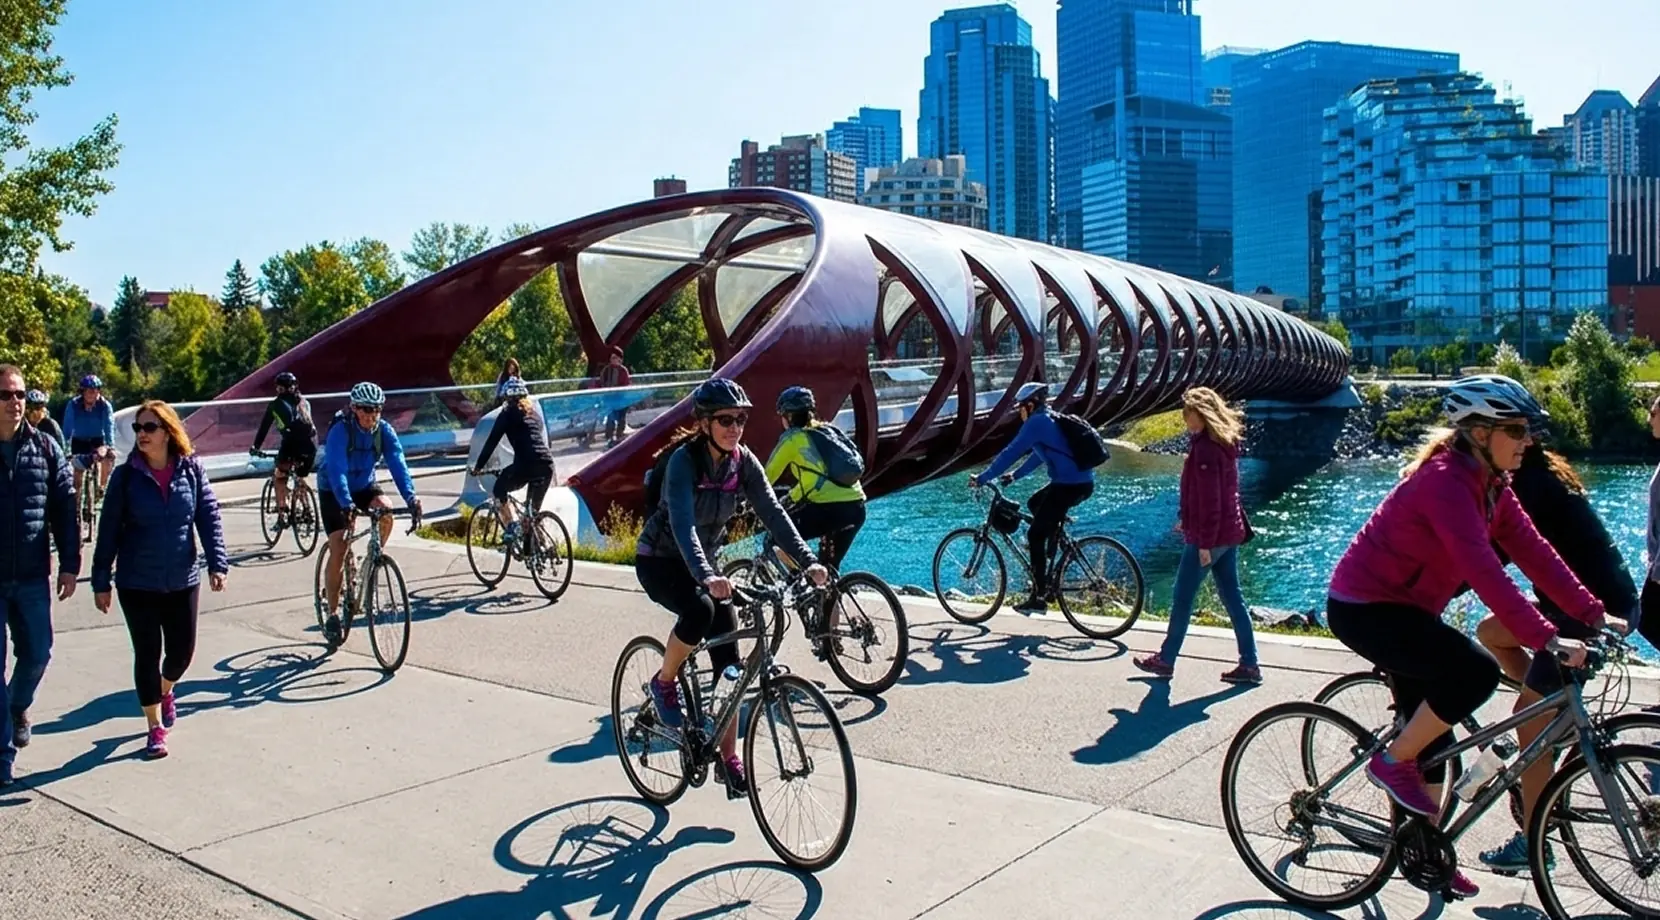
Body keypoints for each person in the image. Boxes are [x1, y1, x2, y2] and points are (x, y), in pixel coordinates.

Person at [1325, 374, 1605, 899]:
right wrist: (1546, 637)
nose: (1528, 441)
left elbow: (1534, 551)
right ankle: (1389, 761)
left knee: (1437, 740)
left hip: (1407, 610)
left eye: (1528, 431)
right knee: (1474, 671)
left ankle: (1424, 851)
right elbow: (1484, 572)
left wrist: (1591, 611)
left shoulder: (1490, 485)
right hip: (1366, 607)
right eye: (1517, 430)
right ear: (1479, 433)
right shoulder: (1445, 483)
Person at [634, 378, 828, 797]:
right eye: (724, 419)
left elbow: (773, 514)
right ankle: (664, 682)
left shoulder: (743, 462)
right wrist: (707, 575)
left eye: (740, 419)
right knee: (700, 611)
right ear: (703, 423)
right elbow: (683, 526)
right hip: (661, 561)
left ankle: (728, 758)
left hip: (704, 566)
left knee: (731, 668)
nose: (734, 427)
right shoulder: (685, 463)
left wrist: (809, 561)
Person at [1472, 437, 1639, 874]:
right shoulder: (1547, 476)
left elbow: (1490, 559)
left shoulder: (1527, 489)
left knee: (1527, 723)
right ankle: (1557, 717)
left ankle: (1533, 844)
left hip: (1585, 613)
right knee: (1490, 633)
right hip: (1611, 604)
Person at [91, 401, 228, 760]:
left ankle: (167, 689)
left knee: (181, 652)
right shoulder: (125, 476)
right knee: (147, 654)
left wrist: (218, 563)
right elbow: (108, 530)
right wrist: (101, 579)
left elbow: (208, 516)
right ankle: (154, 726)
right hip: (137, 582)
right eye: (137, 428)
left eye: (149, 428)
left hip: (182, 577)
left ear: (167, 431)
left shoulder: (191, 471)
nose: (141, 435)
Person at [1133, 387, 1260, 684]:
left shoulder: (1205, 449)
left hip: (1211, 537)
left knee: (1182, 597)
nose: (1184, 419)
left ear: (1200, 414)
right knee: (1233, 598)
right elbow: (1220, 495)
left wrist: (1204, 543)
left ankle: (1165, 660)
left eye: (1187, 413)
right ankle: (1250, 664)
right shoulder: (1224, 442)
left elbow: (1211, 502)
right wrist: (1186, 519)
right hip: (1231, 533)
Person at [0, 365, 79, 786]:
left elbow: (65, 509)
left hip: (31, 574)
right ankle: (3, 758)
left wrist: (70, 563)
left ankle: (17, 705)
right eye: (7, 395)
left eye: (20, 394)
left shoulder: (46, 448)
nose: (16, 402)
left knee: (38, 653)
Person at [967, 382, 1095, 611]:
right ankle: (1052, 541)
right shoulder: (1048, 418)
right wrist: (1015, 476)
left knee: (1035, 534)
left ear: (1031, 404)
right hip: (1079, 482)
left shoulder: (1036, 423)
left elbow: (1010, 452)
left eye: (1021, 407)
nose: (1019, 411)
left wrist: (983, 478)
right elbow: (1040, 455)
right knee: (1034, 503)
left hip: (1069, 485)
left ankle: (1039, 594)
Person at [316, 382, 421, 646]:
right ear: (353, 408)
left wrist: (411, 497)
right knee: (338, 546)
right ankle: (332, 614)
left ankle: (370, 562)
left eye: (376, 409)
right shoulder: (341, 431)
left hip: (364, 485)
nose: (371, 415)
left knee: (386, 511)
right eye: (365, 409)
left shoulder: (383, 431)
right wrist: (346, 503)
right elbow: (337, 470)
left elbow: (398, 463)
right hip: (333, 489)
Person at [763, 385, 866, 573]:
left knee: (776, 538)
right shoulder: (829, 431)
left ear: (789, 417)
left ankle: (800, 581)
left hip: (828, 510)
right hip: (857, 508)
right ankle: (825, 597)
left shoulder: (792, 440)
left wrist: (786, 499)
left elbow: (765, 479)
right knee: (829, 571)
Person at [471, 376, 554, 543]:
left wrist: (478, 467)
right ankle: (541, 550)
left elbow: (492, 441)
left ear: (506, 398)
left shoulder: (507, 414)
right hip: (546, 465)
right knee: (532, 513)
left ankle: (510, 527)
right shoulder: (533, 414)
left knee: (499, 489)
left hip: (526, 465)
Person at [249, 371, 316, 529]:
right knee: (300, 476)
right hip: (311, 447)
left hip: (290, 446)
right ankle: (307, 510)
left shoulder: (275, 405)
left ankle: (283, 513)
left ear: (278, 388)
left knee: (280, 476)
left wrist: (255, 447)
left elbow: (264, 428)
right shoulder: (304, 402)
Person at [63, 373, 116, 500]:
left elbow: (109, 426)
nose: (93, 394)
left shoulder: (104, 405)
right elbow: (67, 426)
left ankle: (101, 487)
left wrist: (110, 446)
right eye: (89, 391)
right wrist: (65, 448)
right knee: (77, 474)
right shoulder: (73, 404)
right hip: (79, 441)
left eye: (96, 390)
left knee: (109, 457)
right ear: (83, 392)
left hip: (98, 441)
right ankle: (77, 504)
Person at [598, 349, 633, 446]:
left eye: (615, 357)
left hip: (621, 400)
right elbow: (602, 382)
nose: (612, 360)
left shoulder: (623, 371)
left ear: (620, 359)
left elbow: (626, 385)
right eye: (612, 357)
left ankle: (619, 438)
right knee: (610, 419)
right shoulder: (606, 370)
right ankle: (609, 439)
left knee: (621, 419)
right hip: (609, 400)